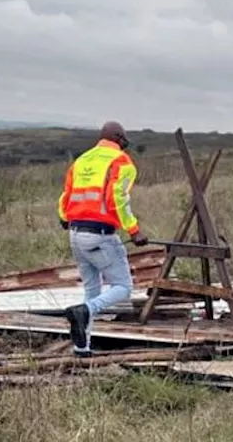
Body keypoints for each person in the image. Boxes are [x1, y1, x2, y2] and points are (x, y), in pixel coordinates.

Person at [57, 121, 149, 357]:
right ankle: (86, 311)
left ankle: (82, 348)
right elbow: (117, 198)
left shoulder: (82, 160)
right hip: (100, 235)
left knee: (92, 288)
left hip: (75, 234)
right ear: (119, 138)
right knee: (123, 287)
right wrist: (134, 230)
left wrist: (64, 216)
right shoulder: (120, 161)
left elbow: (66, 194)